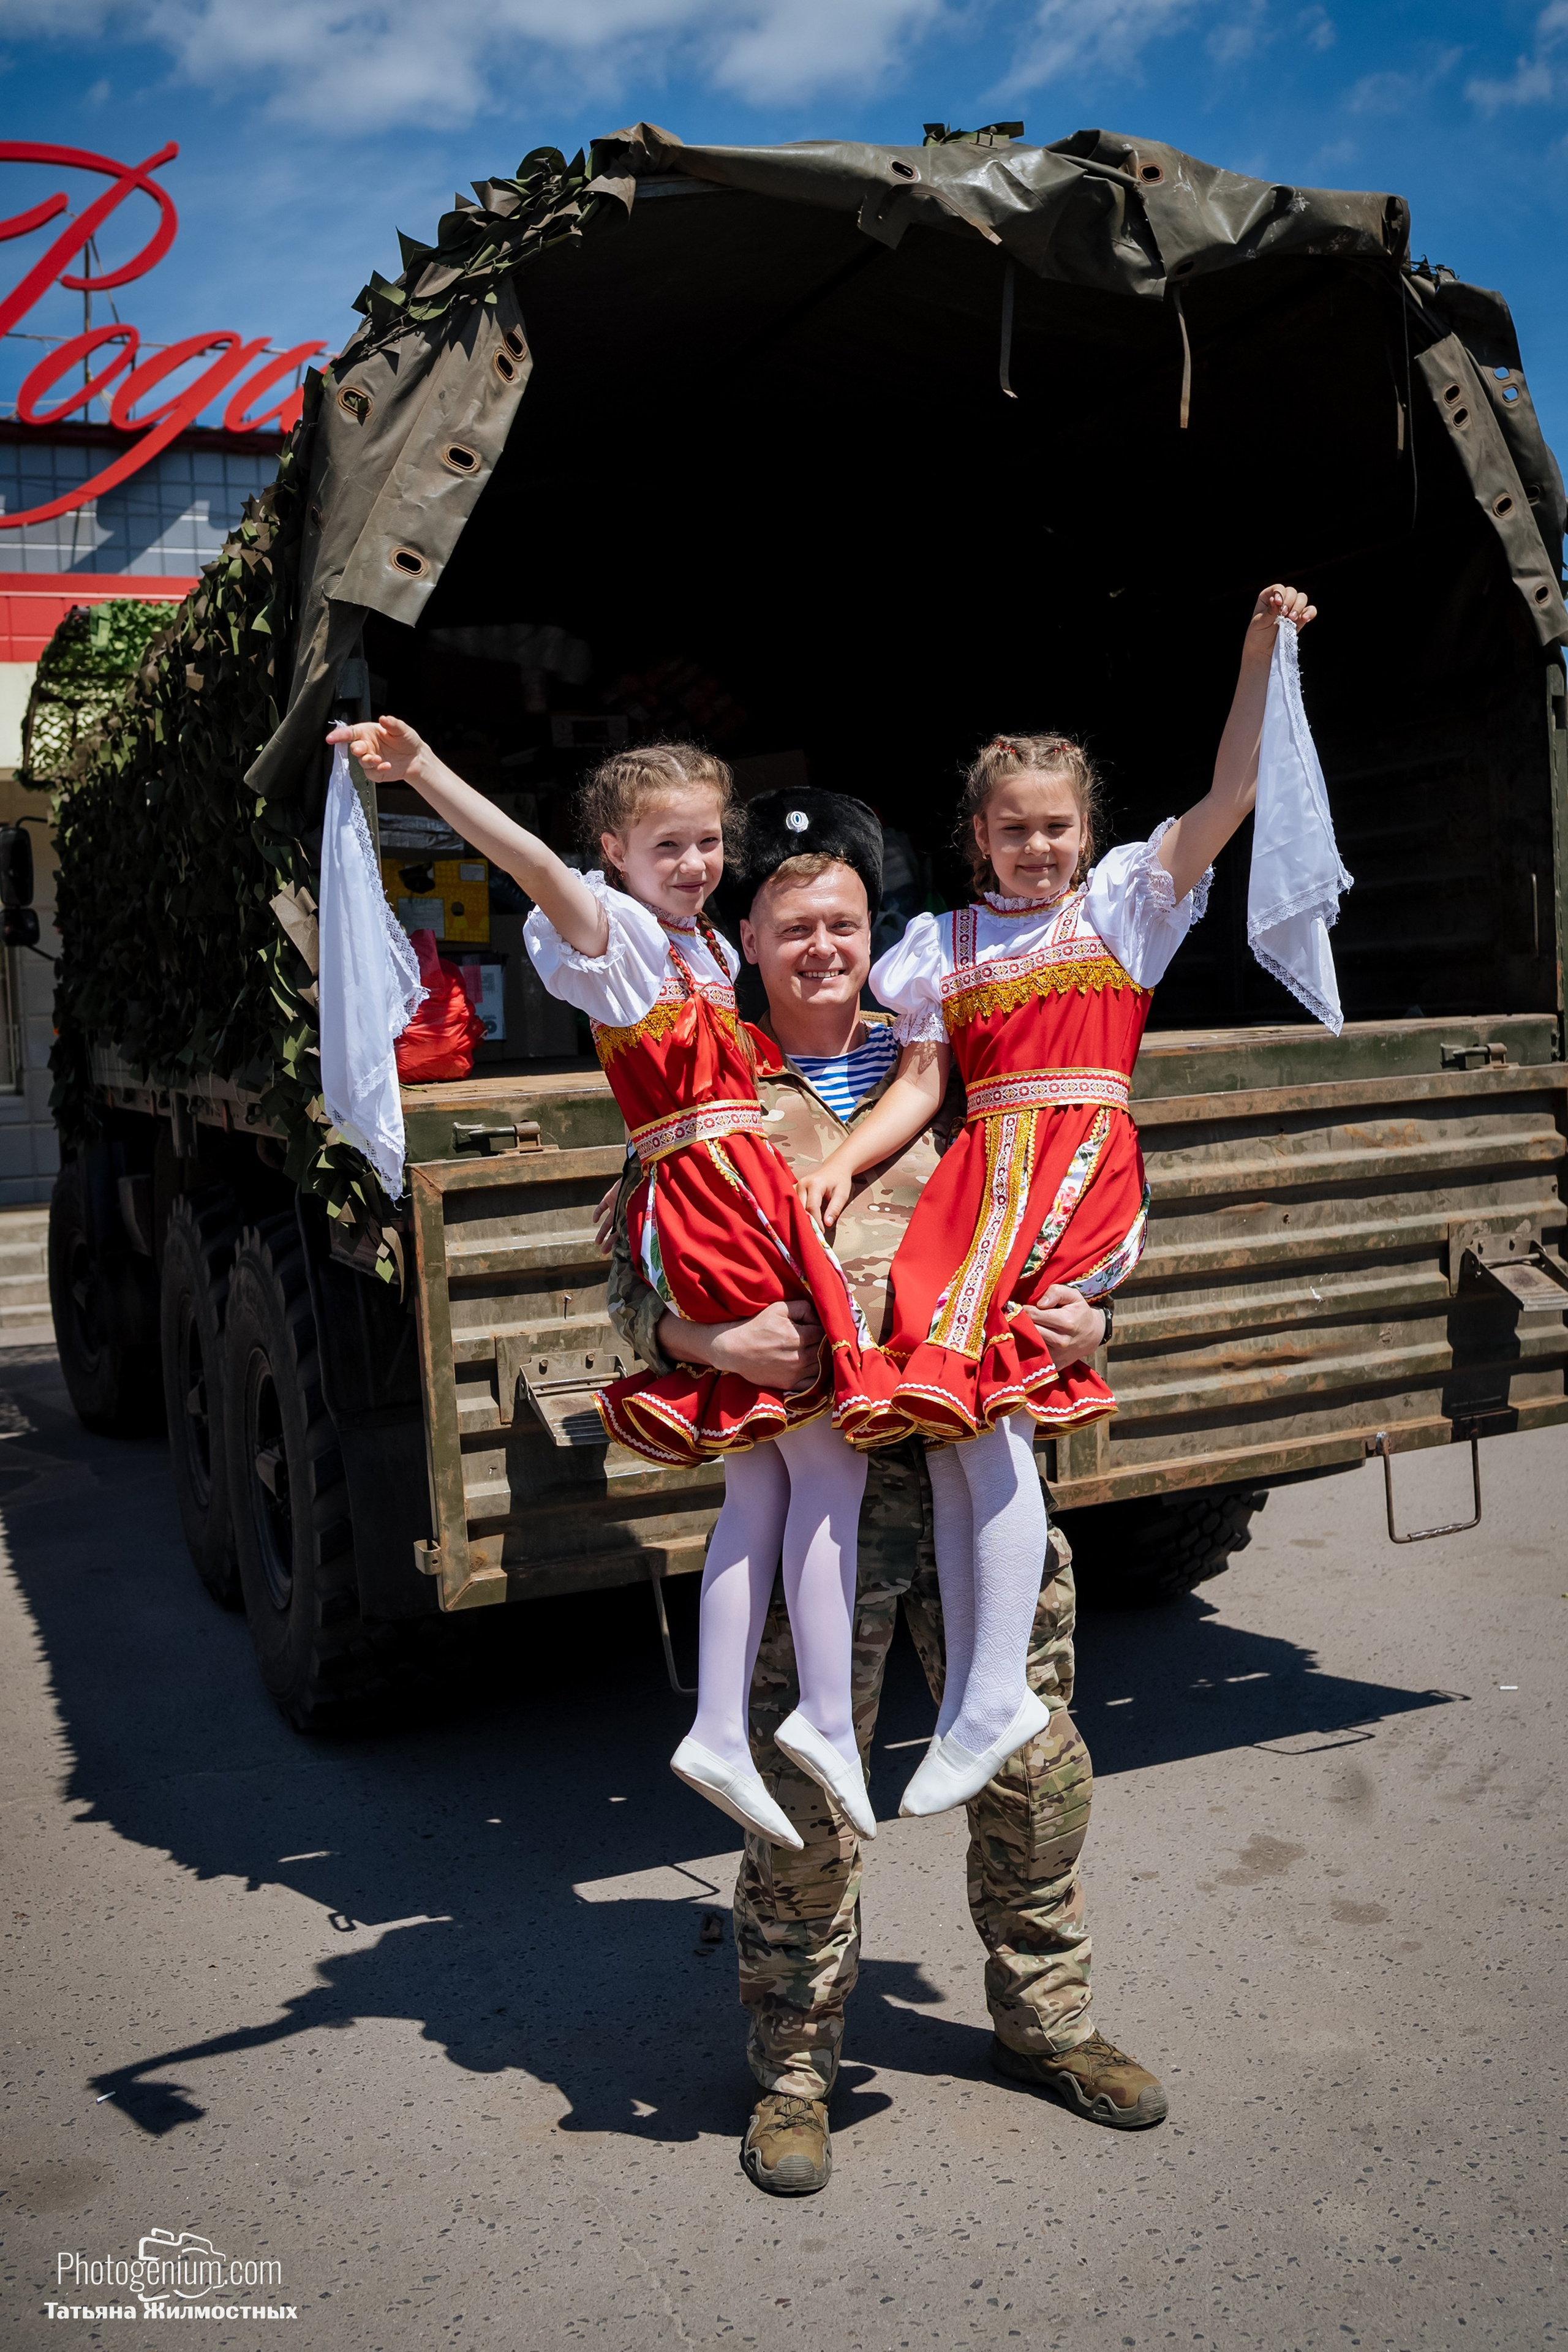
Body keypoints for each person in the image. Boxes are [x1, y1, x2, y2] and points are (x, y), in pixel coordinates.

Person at [605, 787, 1167, 2198]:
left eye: (841, 924)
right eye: (792, 927)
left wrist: (1099, 1317)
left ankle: (1048, 2023)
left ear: (875, 935)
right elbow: (635, 1266)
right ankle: (795, 2071)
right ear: (749, 940)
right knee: (804, 1795)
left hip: (973, 1470)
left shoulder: (956, 1055)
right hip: (820, 1503)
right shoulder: (708, 1073)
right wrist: (699, 1339)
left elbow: (1074, 1194)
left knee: (1032, 1762)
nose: (820, 949)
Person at [323, 721, 905, 1858]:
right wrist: (428, 770)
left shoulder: (697, 951)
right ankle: (822, 1722)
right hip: (722, 1193)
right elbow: (530, 866)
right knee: (829, 1458)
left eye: (703, 844)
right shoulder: (619, 934)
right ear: (614, 854)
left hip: (713, 1180)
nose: (691, 864)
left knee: (759, 1490)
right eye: (664, 847)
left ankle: (728, 1730)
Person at [799, 584, 1317, 1822]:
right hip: (979, 1180)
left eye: (1056, 827)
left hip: (1076, 1164)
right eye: (1014, 829)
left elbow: (1228, 795)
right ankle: (985, 1696)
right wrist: (842, 1160)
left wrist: (1253, 649)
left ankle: (990, 1698)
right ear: (977, 834)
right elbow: (923, 1086)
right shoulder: (941, 945)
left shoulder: (1126, 908)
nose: (1038, 847)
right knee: (963, 1427)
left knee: (1001, 1424)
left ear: (1085, 832)